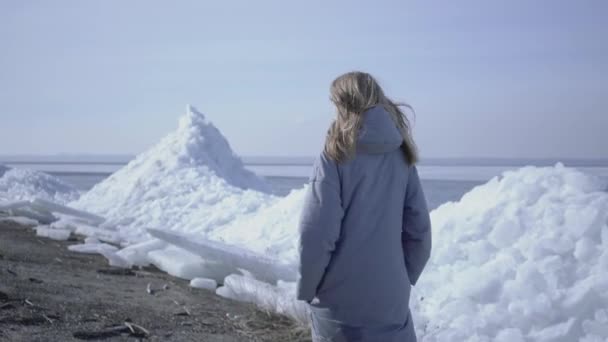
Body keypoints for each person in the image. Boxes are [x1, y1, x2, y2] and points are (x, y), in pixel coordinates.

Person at [297, 71, 432, 342]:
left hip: (340, 298)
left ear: (343, 103)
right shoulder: (402, 154)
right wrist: (402, 276)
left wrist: (307, 287)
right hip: (390, 296)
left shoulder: (334, 154)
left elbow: (317, 232)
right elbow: (419, 230)